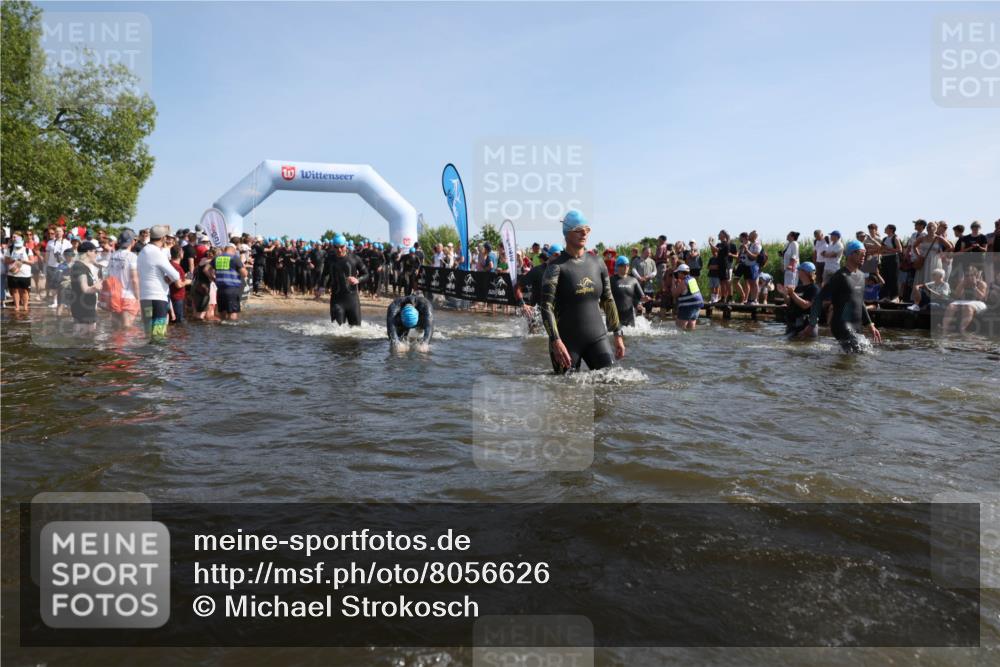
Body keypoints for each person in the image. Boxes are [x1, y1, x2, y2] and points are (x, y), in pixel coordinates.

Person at [540, 210, 624, 373]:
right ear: (567, 233)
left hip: (597, 337)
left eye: (587, 229)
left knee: (612, 381)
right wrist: (555, 340)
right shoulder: (556, 267)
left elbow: (608, 299)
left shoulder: (598, 263)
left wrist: (617, 334)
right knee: (564, 388)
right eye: (578, 230)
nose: (584, 233)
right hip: (566, 342)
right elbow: (546, 307)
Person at [807, 239, 882, 352]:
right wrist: (812, 324)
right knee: (857, 353)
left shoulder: (861, 276)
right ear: (850, 254)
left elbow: (860, 302)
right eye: (860, 253)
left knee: (861, 355)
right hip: (841, 325)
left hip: (857, 325)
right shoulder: (840, 276)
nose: (863, 256)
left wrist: (870, 325)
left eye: (865, 253)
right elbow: (819, 298)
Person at [137, 225, 181, 342]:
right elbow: (176, 275)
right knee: (158, 336)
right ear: (163, 238)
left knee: (148, 334)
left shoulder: (142, 251)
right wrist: (169, 279)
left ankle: (149, 353)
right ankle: (158, 354)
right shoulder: (157, 253)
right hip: (158, 299)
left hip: (145, 299)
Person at [324, 233, 368, 326]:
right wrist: (321, 287)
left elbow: (366, 274)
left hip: (352, 300)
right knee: (337, 331)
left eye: (342, 247)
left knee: (356, 330)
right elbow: (324, 274)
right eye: (336, 247)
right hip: (336, 301)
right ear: (333, 247)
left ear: (346, 245)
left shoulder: (354, 258)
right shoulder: (329, 259)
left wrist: (358, 280)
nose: (339, 250)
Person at [942, 264, 989, 334]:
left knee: (967, 307)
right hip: (963, 301)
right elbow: (957, 296)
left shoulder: (981, 284)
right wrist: (962, 285)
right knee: (951, 306)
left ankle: (962, 329)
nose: (969, 277)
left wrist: (974, 287)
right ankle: (945, 328)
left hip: (978, 302)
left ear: (975, 275)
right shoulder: (962, 282)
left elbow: (982, 297)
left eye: (971, 275)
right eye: (967, 275)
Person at [70, 241, 102, 334]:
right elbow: (85, 289)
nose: (96, 254)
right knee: (84, 336)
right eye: (95, 252)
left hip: (86, 304)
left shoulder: (83, 266)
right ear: (88, 252)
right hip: (82, 306)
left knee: (87, 336)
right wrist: (96, 287)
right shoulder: (79, 267)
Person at [211, 243, 248, 322]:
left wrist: (213, 279)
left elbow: (206, 270)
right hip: (232, 289)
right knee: (232, 313)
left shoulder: (217, 258)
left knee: (222, 313)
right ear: (233, 249)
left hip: (220, 289)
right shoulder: (234, 258)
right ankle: (232, 329)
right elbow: (244, 274)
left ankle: (222, 328)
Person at [783, 262, 820, 340]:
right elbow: (789, 303)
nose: (797, 271)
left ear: (805, 272)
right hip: (794, 325)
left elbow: (805, 305)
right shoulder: (798, 288)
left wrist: (792, 294)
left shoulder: (814, 289)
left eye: (799, 270)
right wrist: (785, 294)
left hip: (807, 326)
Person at [611, 255, 647, 327]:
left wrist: (640, 304)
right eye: (623, 265)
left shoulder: (633, 280)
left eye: (627, 265)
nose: (626, 267)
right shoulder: (611, 280)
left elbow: (641, 297)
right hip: (614, 317)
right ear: (618, 266)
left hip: (629, 318)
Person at [3, 235, 35, 312]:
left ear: (22, 243)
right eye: (16, 245)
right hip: (13, 273)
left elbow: (32, 261)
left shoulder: (27, 250)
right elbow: (6, 261)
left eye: (19, 245)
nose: (17, 247)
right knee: (15, 290)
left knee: (25, 291)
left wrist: (24, 261)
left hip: (25, 274)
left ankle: (25, 306)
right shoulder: (10, 249)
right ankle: (17, 306)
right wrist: (13, 260)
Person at [670, 263, 704, 330]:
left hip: (688, 307)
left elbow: (674, 294)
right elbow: (688, 292)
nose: (677, 275)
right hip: (697, 306)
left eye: (678, 273)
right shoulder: (692, 279)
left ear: (681, 273)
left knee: (679, 327)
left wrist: (673, 282)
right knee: (691, 327)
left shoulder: (683, 283)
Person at [45, 225, 72, 306]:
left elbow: (70, 255)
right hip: (52, 266)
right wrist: (46, 264)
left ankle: (65, 301)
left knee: (64, 284)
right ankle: (55, 301)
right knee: (54, 285)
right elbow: (47, 254)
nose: (58, 233)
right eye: (56, 231)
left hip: (63, 266)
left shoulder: (67, 242)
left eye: (60, 231)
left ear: (63, 233)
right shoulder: (50, 242)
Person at [879, 224, 902, 301]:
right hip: (885, 259)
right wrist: (883, 250)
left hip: (893, 259)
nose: (885, 229)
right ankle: (886, 296)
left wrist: (888, 249)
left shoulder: (895, 238)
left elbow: (900, 250)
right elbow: (882, 249)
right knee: (885, 277)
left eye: (886, 228)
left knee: (893, 278)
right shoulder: (884, 238)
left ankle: (895, 296)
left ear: (891, 229)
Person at [780, 231, 800, 296]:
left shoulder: (794, 243)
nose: (787, 236)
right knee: (786, 285)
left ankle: (792, 299)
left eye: (788, 235)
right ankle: (787, 299)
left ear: (792, 237)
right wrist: (783, 265)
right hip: (787, 268)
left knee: (791, 285)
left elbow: (794, 255)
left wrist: (790, 265)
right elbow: (785, 255)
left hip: (792, 268)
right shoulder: (788, 244)